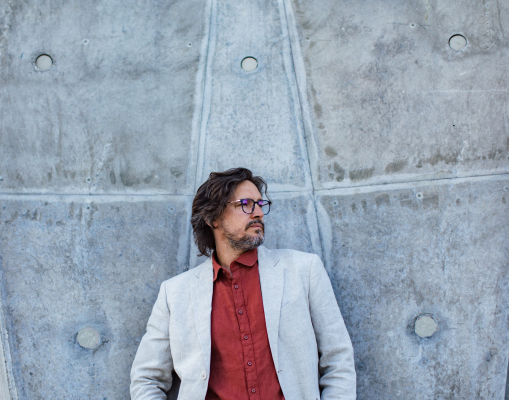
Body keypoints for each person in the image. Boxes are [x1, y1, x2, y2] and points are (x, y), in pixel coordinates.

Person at [130, 168, 356, 400]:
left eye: (260, 204)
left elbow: (338, 359)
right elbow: (146, 379)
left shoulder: (304, 270)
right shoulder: (175, 293)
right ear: (213, 218)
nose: (258, 212)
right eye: (246, 204)